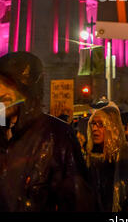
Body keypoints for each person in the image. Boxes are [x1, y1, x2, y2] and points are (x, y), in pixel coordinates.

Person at [0, 51, 94, 212]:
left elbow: (78, 201)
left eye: (9, 84)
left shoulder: (56, 135)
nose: (1, 92)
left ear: (28, 89)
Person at [86, 101, 128, 212]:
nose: (94, 128)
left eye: (100, 124)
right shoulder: (90, 155)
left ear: (112, 127)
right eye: (93, 124)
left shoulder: (127, 154)